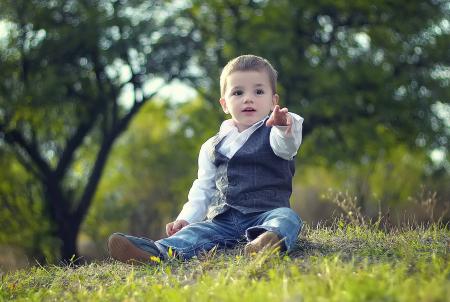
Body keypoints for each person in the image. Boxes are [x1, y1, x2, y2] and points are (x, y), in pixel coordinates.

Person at [108, 54, 304, 263]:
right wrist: (186, 218)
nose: (248, 98)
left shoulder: (278, 129)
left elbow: (287, 147)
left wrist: (283, 125)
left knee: (288, 218)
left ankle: (268, 242)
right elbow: (203, 188)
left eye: (258, 91)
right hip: (223, 221)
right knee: (194, 233)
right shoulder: (211, 146)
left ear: (273, 100)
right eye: (238, 92)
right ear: (224, 104)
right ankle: (155, 253)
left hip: (265, 214)